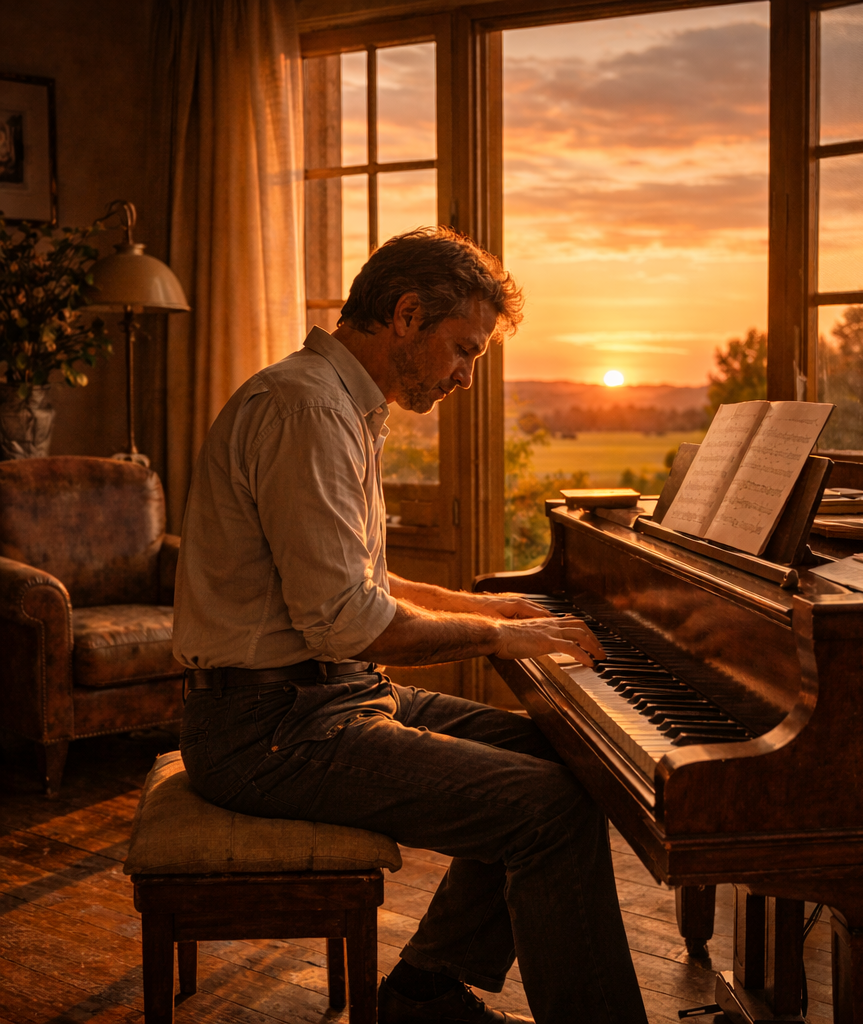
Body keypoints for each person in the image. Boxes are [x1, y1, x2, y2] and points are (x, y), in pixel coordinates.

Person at [173, 227, 649, 1024]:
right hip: (264, 729)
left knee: (567, 757)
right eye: (464, 350)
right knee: (548, 810)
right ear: (404, 315)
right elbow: (348, 622)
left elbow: (362, 582)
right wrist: (498, 638)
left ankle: (424, 994)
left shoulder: (341, 406)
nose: (466, 377)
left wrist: (489, 606)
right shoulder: (307, 410)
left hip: (325, 700)